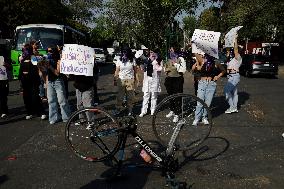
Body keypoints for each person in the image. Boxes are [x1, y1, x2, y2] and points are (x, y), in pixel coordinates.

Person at [192, 53, 225, 126]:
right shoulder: (203, 60)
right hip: (202, 83)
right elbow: (195, 67)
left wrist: (217, 76)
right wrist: (195, 48)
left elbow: (223, 70)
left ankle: (204, 117)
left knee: (208, 103)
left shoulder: (216, 62)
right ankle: (197, 118)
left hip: (211, 84)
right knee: (200, 102)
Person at [18, 44, 46, 120]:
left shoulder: (33, 58)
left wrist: (28, 73)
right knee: (26, 98)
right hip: (25, 82)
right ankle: (30, 112)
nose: (24, 51)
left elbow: (35, 69)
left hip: (33, 81)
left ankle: (41, 112)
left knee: (35, 97)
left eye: (25, 50)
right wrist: (21, 77)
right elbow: (21, 70)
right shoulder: (23, 59)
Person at [45, 45, 70, 124]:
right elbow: (43, 73)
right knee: (51, 100)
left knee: (61, 100)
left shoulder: (59, 60)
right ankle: (53, 117)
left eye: (51, 51)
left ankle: (66, 117)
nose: (49, 53)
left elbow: (57, 73)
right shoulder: (46, 59)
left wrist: (50, 66)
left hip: (58, 81)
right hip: (50, 81)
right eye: (48, 51)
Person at [113, 48, 138, 116]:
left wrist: (136, 79)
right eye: (123, 52)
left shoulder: (132, 60)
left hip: (130, 80)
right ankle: (118, 109)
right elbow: (117, 71)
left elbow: (135, 71)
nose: (124, 53)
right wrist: (115, 79)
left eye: (125, 52)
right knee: (120, 96)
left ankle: (129, 110)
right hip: (121, 80)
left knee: (130, 97)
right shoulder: (119, 60)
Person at [164, 47, 185, 123]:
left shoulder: (180, 59)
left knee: (177, 97)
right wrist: (166, 70)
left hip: (178, 79)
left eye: (172, 49)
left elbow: (183, 70)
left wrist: (176, 64)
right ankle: (172, 110)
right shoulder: (168, 59)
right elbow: (165, 68)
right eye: (170, 49)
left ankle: (177, 114)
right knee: (170, 96)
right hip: (169, 79)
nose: (170, 50)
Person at [139, 49, 163, 117]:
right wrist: (142, 65)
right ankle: (143, 111)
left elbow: (160, 69)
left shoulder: (159, 60)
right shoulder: (146, 59)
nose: (152, 53)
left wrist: (155, 62)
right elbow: (143, 69)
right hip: (147, 79)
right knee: (146, 95)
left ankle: (153, 109)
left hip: (155, 79)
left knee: (154, 96)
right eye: (151, 52)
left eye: (153, 52)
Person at [224, 36, 242, 114]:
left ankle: (232, 107)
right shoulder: (231, 59)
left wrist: (235, 39)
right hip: (230, 76)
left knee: (226, 91)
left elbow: (235, 49)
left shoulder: (238, 58)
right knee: (234, 93)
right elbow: (228, 51)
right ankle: (235, 107)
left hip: (234, 76)